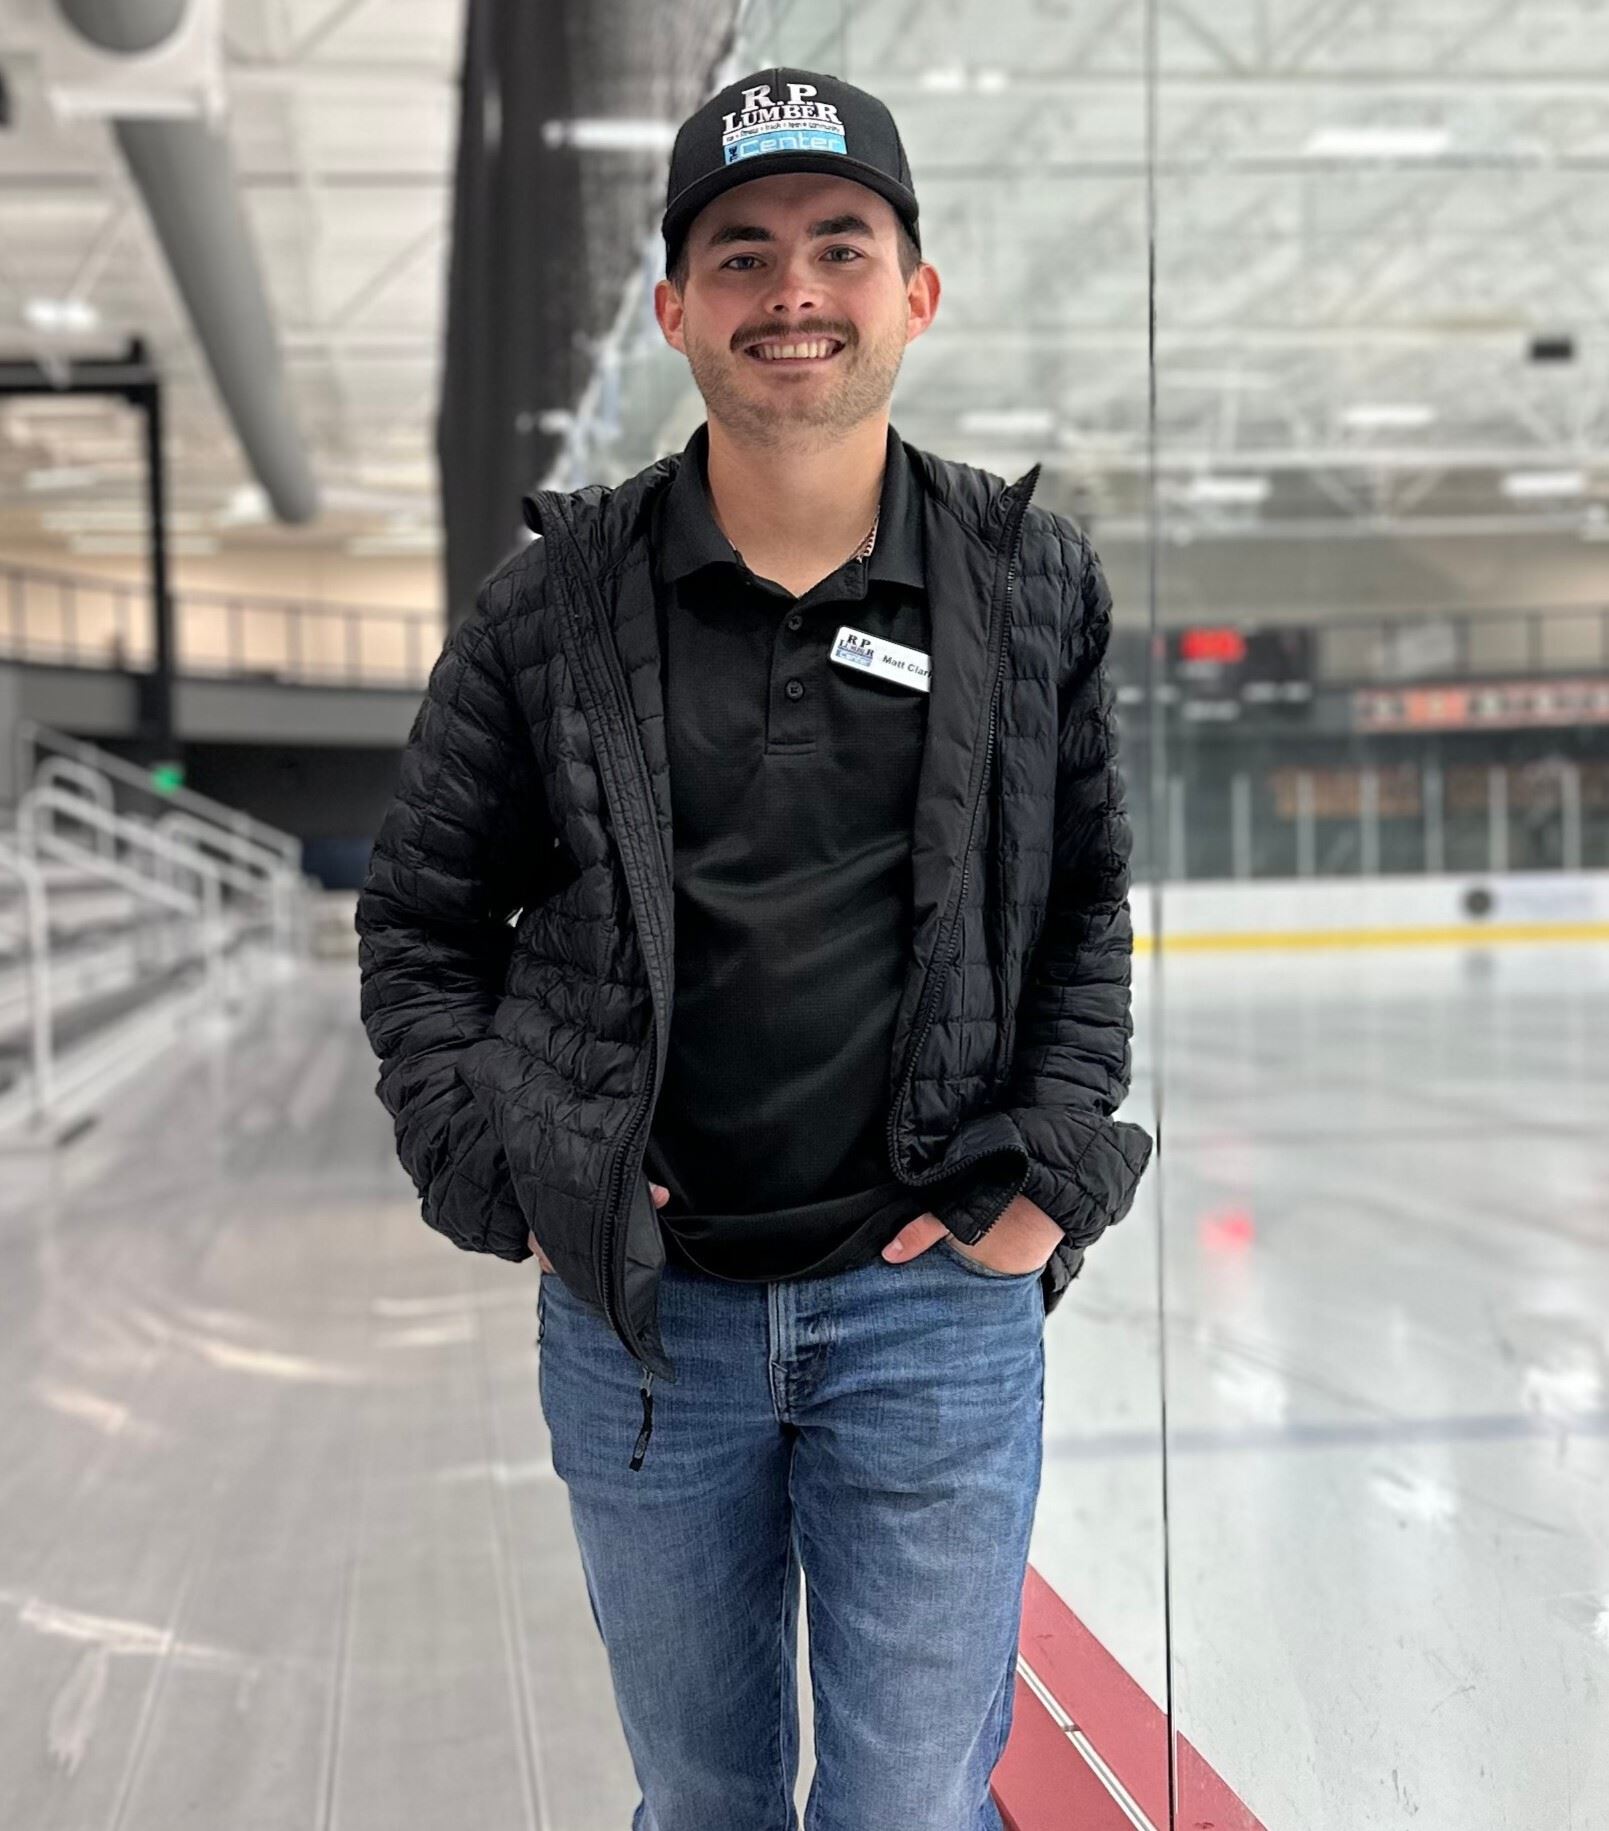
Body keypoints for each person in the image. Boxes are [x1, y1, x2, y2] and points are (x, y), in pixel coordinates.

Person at [355, 64, 1152, 1831]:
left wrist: (1038, 1180)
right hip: (653, 1332)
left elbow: (1084, 899)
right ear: (674, 308)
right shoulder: (552, 606)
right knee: (702, 1801)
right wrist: (512, 1170)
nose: (792, 291)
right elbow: (421, 917)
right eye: (740, 255)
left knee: (907, 1808)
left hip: (933, 1310)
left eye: (838, 246)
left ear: (914, 293)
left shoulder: (1029, 586)